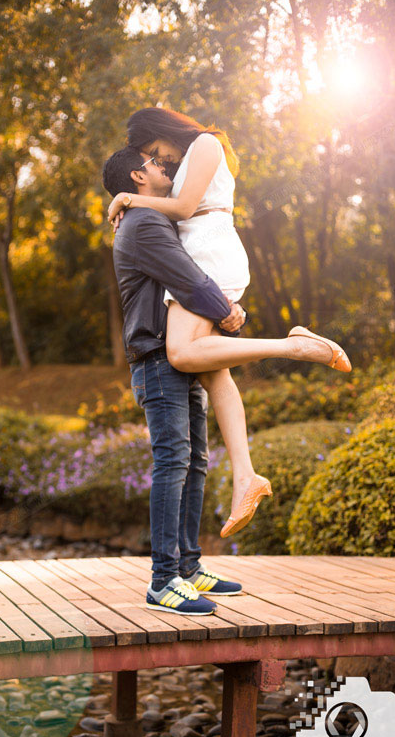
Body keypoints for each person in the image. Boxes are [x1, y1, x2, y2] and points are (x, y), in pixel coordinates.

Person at [107, 107, 352, 538]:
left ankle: (292, 346)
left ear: (162, 132)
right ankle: (246, 477)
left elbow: (183, 208)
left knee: (182, 354)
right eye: (149, 158)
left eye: (152, 150)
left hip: (211, 253)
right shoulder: (185, 159)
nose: (158, 160)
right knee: (212, 371)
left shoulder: (205, 144)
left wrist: (128, 198)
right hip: (201, 254)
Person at [103, 145, 247, 616]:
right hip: (156, 359)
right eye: (153, 164)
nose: (163, 167)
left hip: (178, 357)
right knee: (174, 462)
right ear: (136, 176)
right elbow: (187, 279)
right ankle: (163, 580)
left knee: (196, 460)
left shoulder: (149, 217)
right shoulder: (143, 226)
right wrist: (226, 311)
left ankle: (188, 566)